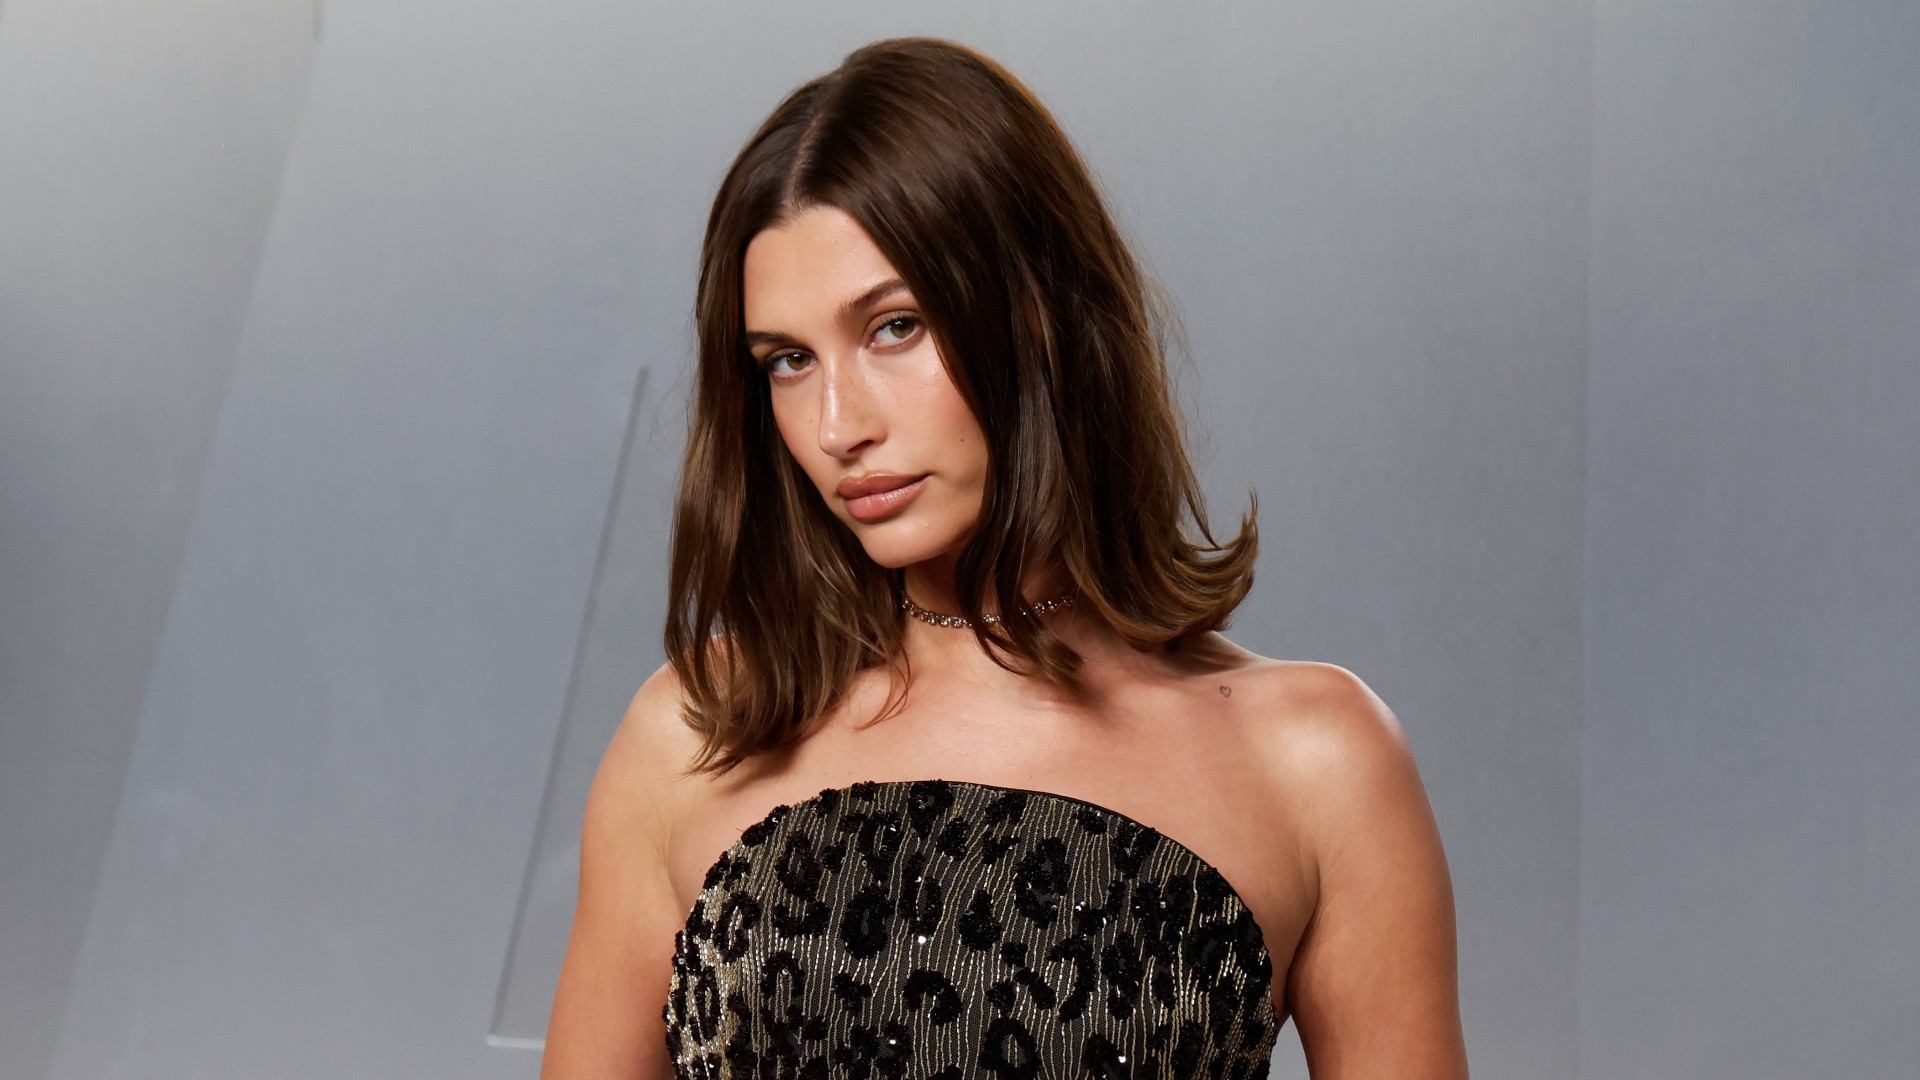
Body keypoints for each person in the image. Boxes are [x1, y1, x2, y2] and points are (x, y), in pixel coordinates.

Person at [541, 35, 1467, 1080]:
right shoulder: (693, 733)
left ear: (1040, 315)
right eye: (789, 362)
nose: (838, 424)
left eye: (894, 327)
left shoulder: (1315, 765)